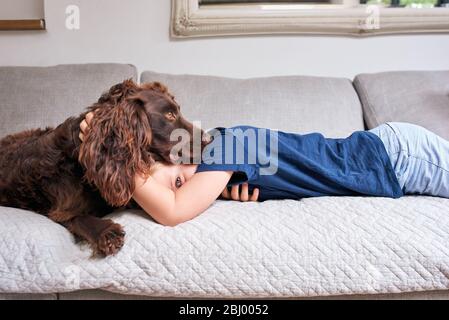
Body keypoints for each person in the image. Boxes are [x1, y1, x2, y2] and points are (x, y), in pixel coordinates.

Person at [79, 112, 449, 227]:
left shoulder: (226, 145)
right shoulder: (224, 162)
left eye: (176, 181)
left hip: (398, 156)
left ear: (179, 153)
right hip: (389, 157)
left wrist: (111, 158)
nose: (181, 188)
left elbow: (173, 212)